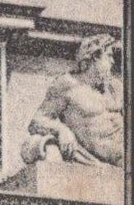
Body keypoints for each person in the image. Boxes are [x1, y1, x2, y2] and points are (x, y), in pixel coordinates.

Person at [23, 34, 122, 166]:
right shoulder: (68, 85)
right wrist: (61, 130)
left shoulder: (115, 87)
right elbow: (37, 120)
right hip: (98, 161)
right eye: (109, 56)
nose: (113, 61)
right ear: (94, 56)